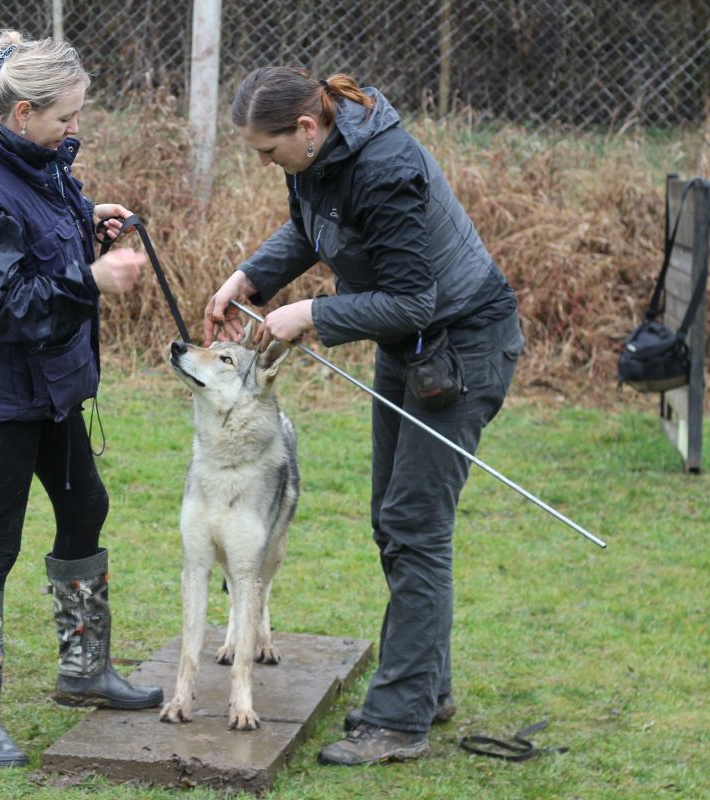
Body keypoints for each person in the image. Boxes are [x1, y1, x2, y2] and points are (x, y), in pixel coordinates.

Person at [204, 68, 524, 766]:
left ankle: (399, 720)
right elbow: (312, 230)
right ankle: (427, 688)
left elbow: (412, 298)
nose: (265, 164)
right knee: (393, 516)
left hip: (463, 344)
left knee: (415, 524)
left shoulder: (385, 168)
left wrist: (311, 313)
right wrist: (250, 278)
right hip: (412, 346)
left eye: (268, 151)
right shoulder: (320, 162)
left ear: (308, 130)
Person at [0, 29, 162, 768]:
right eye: (66, 118)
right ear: (21, 112)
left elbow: (44, 219)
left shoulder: (29, 153)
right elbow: (4, 309)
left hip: (51, 381)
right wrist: (90, 280)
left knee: (85, 506)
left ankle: (83, 672)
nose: (75, 130)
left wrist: (87, 220)